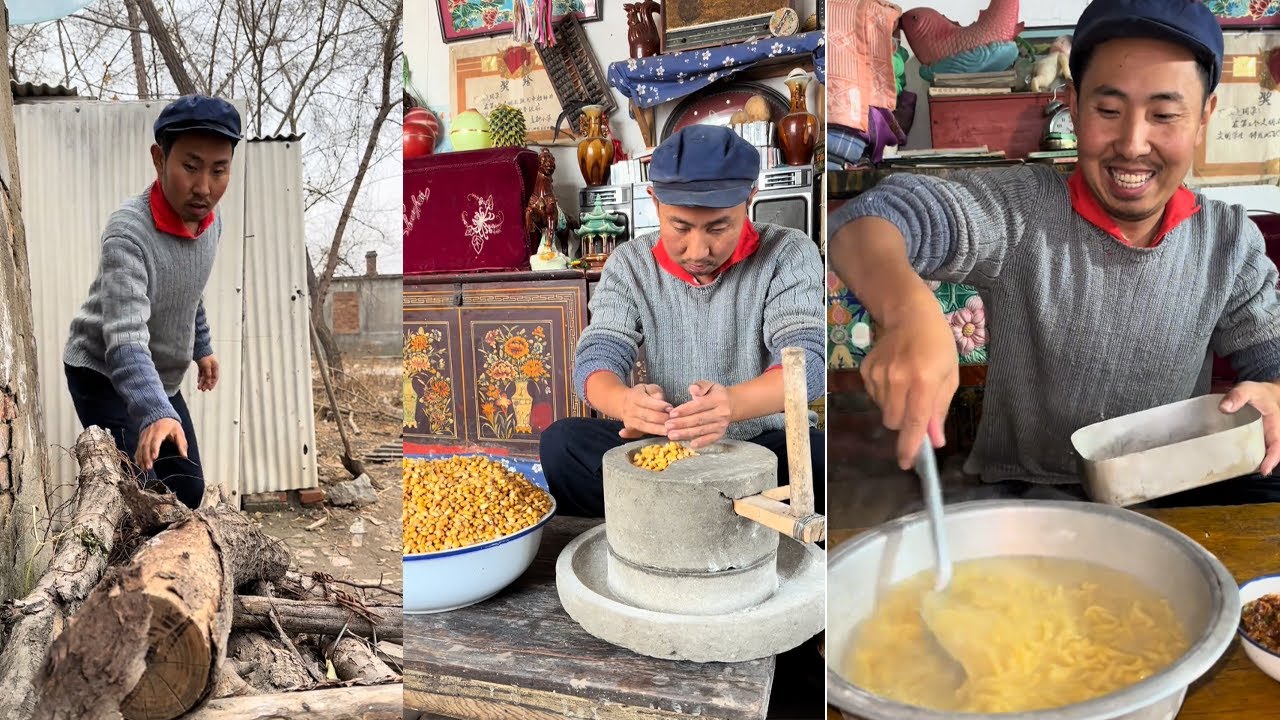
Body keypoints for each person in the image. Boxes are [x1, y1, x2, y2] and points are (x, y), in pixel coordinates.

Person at [829, 0, 1280, 505]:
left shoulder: (1227, 240)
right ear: (1074, 105)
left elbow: (1271, 355)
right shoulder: (1022, 210)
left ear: (1204, 117)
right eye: (1108, 111)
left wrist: (1275, 395)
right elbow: (866, 220)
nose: (1133, 144)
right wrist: (908, 313)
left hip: (1165, 497)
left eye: (1165, 115)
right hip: (1024, 499)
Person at [540, 124, 826, 517]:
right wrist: (626, 403)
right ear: (655, 202)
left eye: (718, 227)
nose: (698, 250)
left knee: (822, 459)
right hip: (666, 448)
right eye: (681, 227)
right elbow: (599, 353)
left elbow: (808, 362)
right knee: (562, 445)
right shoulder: (631, 264)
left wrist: (732, 405)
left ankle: (669, 517)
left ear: (750, 198)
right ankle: (680, 523)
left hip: (760, 444)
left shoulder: (787, 252)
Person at [63, 95, 241, 510]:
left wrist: (202, 346)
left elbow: (188, 291)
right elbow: (124, 339)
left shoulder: (211, 223)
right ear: (159, 159)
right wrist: (155, 411)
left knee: (188, 490)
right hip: (101, 371)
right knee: (140, 494)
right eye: (191, 167)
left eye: (219, 170)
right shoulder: (128, 233)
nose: (204, 188)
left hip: (158, 374)